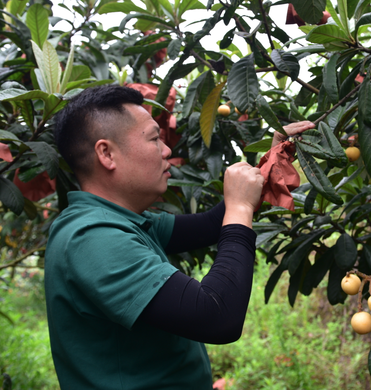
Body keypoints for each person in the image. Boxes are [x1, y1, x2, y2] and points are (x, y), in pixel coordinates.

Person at [44, 84, 312, 389]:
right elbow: (217, 316)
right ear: (106, 153)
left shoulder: (120, 221)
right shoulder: (92, 239)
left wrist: (270, 160)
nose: (167, 149)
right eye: (154, 139)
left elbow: (211, 225)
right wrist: (239, 208)